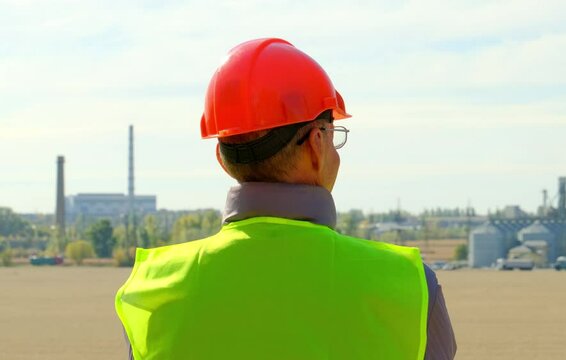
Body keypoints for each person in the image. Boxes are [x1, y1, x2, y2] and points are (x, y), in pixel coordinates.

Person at [115, 38, 456, 359]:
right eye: (333, 134)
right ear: (316, 143)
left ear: (221, 158)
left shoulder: (153, 289)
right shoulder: (409, 284)